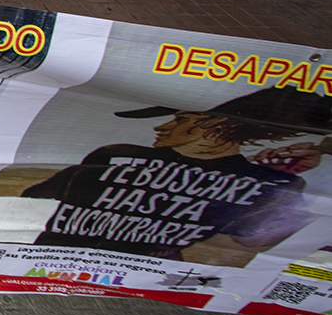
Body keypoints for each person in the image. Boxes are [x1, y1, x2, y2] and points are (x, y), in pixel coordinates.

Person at [21, 88, 326, 265]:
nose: (162, 127)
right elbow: (31, 198)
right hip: (51, 263)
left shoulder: (267, 182)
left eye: (180, 119)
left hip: (143, 274)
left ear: (214, 125)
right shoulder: (114, 154)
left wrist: (276, 190)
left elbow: (258, 241)